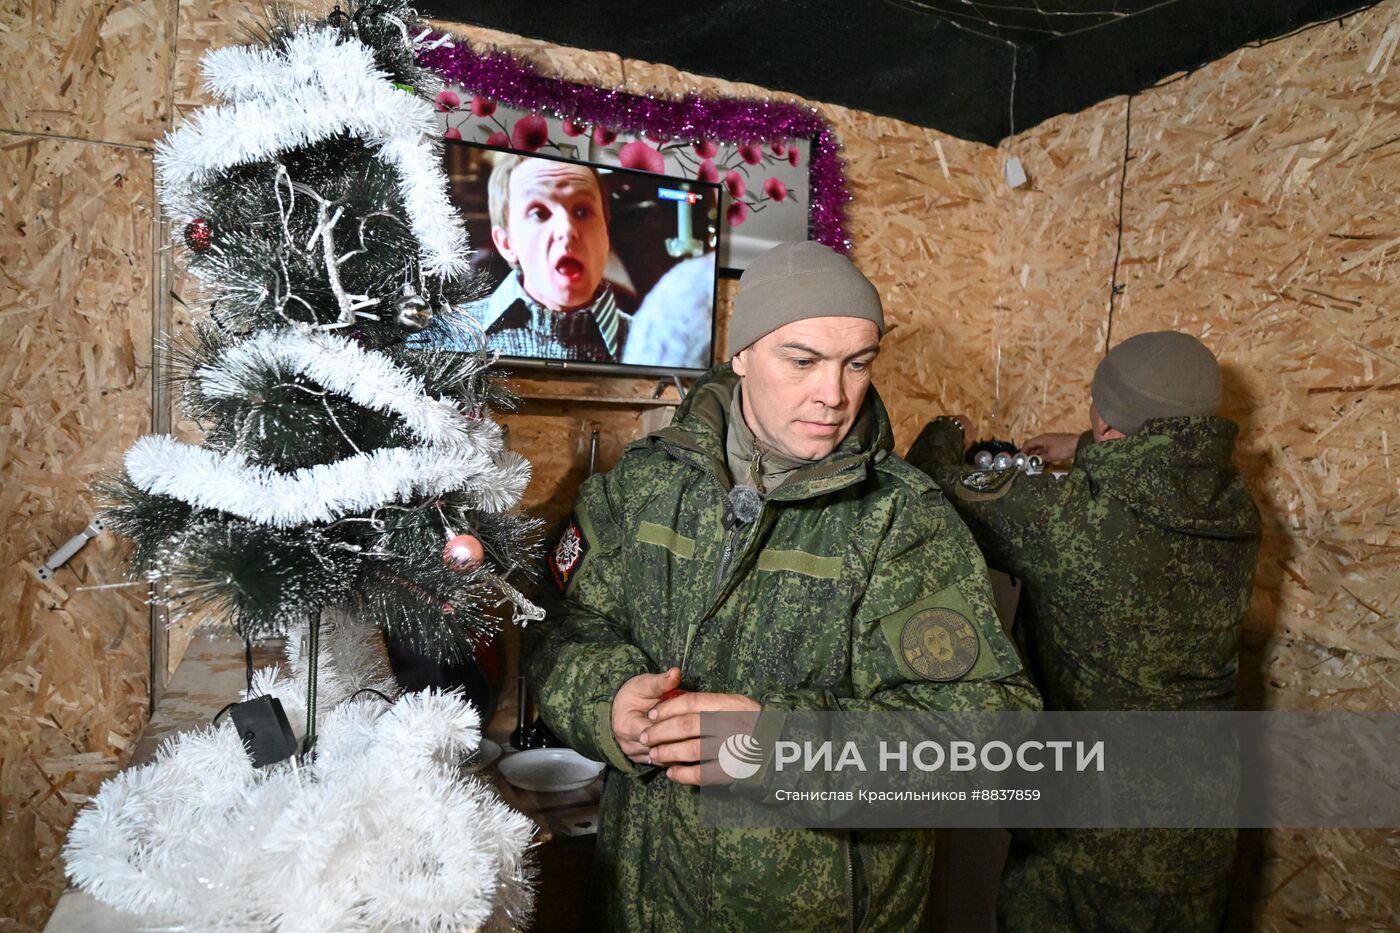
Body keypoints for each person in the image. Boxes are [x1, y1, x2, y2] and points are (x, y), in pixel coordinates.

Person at [525, 240, 1040, 931]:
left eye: (858, 363)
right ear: (742, 354)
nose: (834, 395)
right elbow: (564, 628)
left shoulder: (901, 520)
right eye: (802, 360)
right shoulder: (644, 485)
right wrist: (607, 699)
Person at [905, 330, 1262, 932]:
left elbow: (933, 487)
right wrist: (1089, 448)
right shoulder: (1232, 508)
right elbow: (1166, 469)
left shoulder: (1075, 521)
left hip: (1088, 840)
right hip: (1200, 829)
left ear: (1107, 419)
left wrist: (947, 429)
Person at [432, 152, 628, 362]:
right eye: (539, 214)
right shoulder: (442, 338)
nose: (567, 230)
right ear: (506, 243)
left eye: (582, 212)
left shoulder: (656, 345)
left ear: (605, 233)